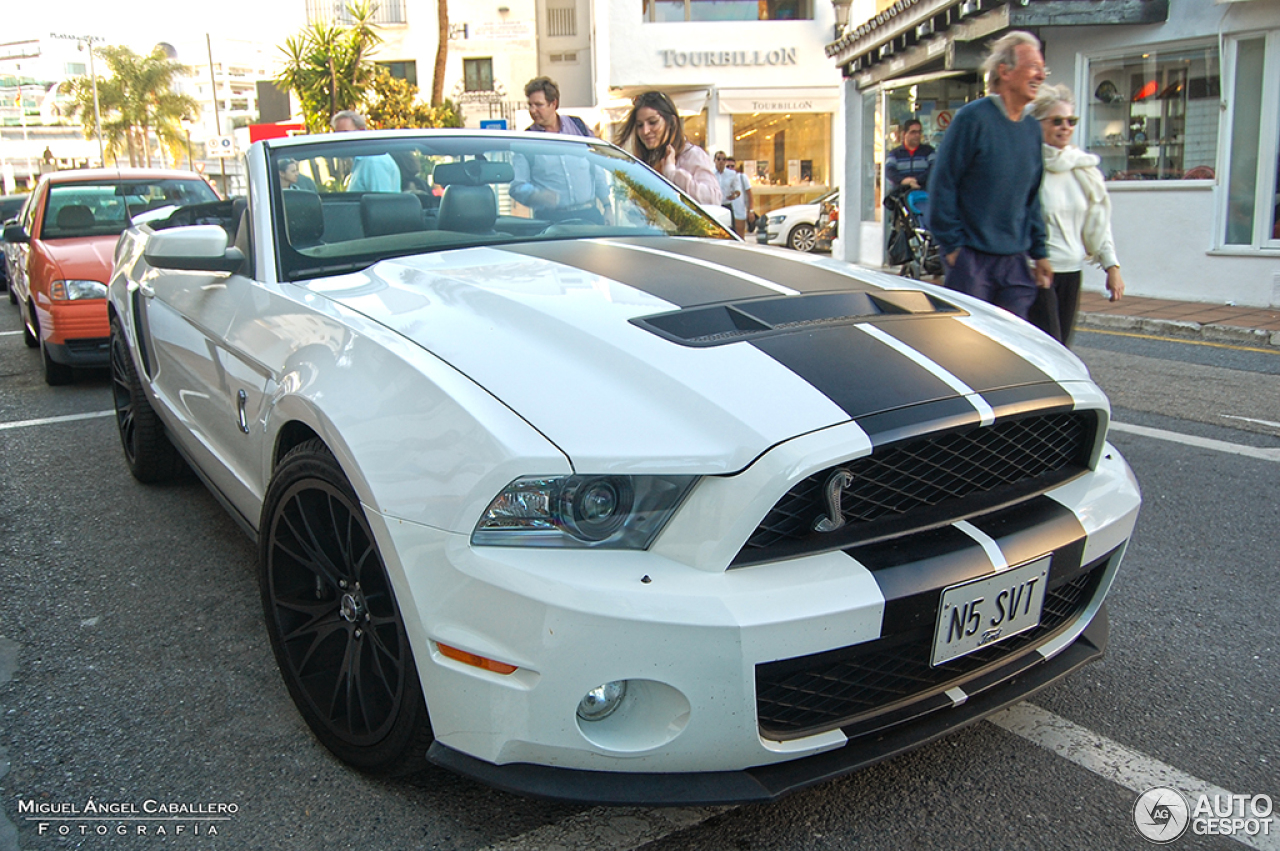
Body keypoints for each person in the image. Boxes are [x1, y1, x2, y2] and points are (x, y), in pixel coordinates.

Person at [926, 31, 1053, 320]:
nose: (1040, 75)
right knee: (970, 347)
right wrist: (953, 248)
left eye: (1043, 68)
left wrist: (1040, 252)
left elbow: (1031, 197)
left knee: (1012, 346)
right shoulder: (973, 119)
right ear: (1005, 71)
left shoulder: (1032, 129)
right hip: (972, 261)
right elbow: (943, 184)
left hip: (1015, 263)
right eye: (1033, 66)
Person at [1027, 84, 1124, 345]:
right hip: (1037, 270)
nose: (1065, 127)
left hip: (1071, 269)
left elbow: (1098, 221)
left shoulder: (1083, 167)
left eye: (1071, 121)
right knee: (1048, 347)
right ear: (1039, 123)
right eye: (1057, 121)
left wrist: (1111, 266)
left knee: (1063, 347)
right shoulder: (1029, 165)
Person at [511, 76, 609, 223]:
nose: (533, 110)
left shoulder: (578, 127)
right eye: (530, 105)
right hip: (551, 220)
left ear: (554, 103)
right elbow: (517, 187)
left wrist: (607, 206)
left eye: (539, 105)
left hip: (589, 215)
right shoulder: (527, 141)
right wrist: (538, 196)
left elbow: (596, 168)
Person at [615, 91, 721, 205]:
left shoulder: (692, 154)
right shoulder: (645, 160)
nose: (645, 131)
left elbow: (713, 199)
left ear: (672, 122)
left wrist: (672, 174)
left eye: (653, 122)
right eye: (640, 125)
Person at [331, 110, 400, 193]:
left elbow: (381, 203)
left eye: (345, 134)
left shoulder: (373, 161)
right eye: (337, 135)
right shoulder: (361, 162)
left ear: (361, 131)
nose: (341, 140)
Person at [885, 119, 934, 192]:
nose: (917, 135)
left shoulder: (928, 151)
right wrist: (903, 181)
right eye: (913, 132)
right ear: (904, 134)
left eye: (919, 132)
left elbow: (934, 169)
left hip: (923, 195)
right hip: (900, 196)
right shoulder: (895, 153)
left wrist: (915, 180)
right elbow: (889, 171)